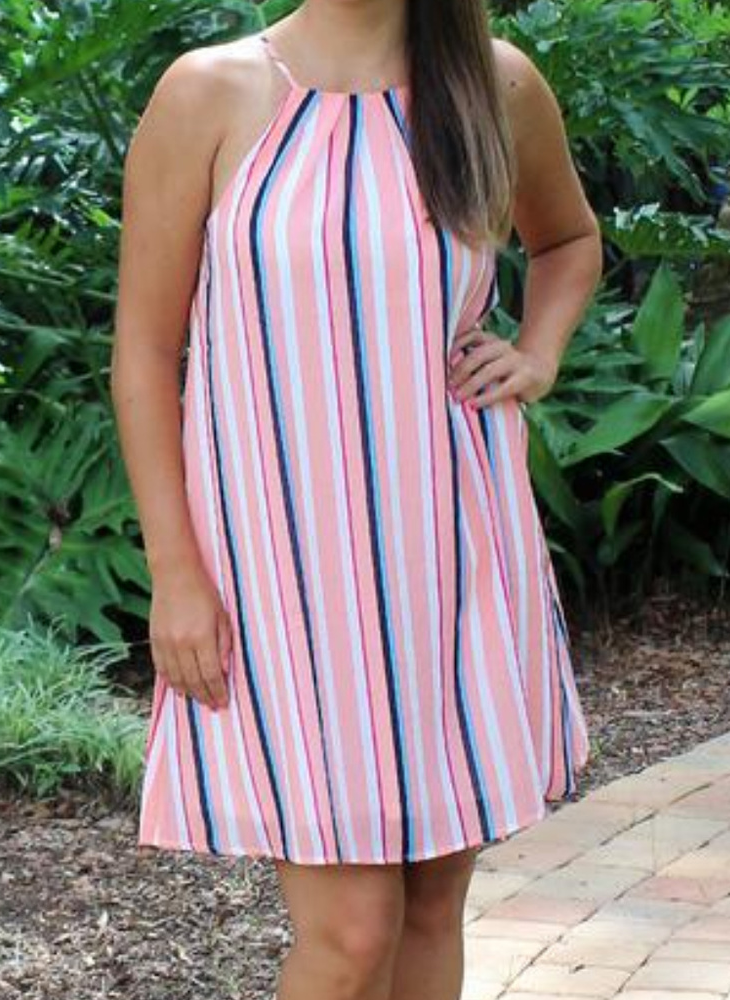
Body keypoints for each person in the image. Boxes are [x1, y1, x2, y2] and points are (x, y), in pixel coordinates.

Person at [111, 0, 601, 996]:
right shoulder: (209, 93)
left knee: (427, 906)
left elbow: (569, 240)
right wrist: (175, 571)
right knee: (349, 931)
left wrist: (537, 353)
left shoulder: (494, 85)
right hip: (279, 576)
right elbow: (144, 352)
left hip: (451, 554)